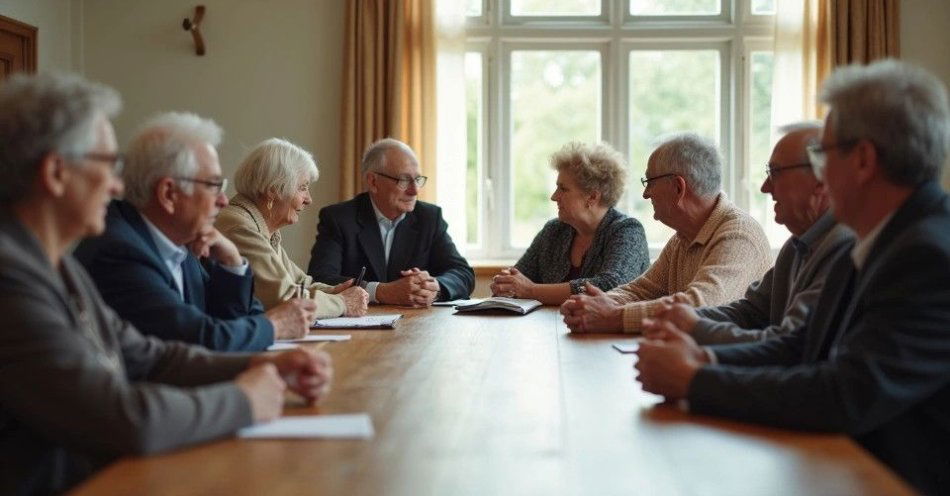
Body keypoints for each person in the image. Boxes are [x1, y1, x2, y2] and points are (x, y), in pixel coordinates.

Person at [0, 72, 332, 495]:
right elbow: (123, 418)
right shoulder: (10, 279)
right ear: (56, 172)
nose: (117, 185)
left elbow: (149, 356)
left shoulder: (57, 265)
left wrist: (261, 366)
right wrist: (245, 400)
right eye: (107, 165)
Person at [634, 60, 950, 495]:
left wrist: (694, 380)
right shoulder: (881, 237)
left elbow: (845, 394)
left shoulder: (926, 254)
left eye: (825, 155)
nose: (821, 174)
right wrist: (705, 359)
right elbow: (801, 345)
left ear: (862, 160)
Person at [75, 112, 315, 351]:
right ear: (169, 194)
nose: (223, 201)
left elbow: (236, 320)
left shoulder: (182, 240)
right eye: (213, 186)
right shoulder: (119, 251)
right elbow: (199, 339)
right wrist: (274, 326)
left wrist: (233, 263)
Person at [659, 123, 854, 344]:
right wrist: (683, 317)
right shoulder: (795, 246)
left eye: (775, 172)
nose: (765, 187)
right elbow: (751, 311)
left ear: (821, 179)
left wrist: (695, 328)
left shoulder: (843, 247)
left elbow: (791, 345)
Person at [560, 133, 771, 333]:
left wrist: (613, 316)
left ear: (678, 188)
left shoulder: (739, 234)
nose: (645, 194)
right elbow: (640, 291)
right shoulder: (683, 237)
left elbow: (699, 306)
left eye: (650, 182)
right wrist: (592, 304)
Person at [307, 138, 475, 306]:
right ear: (373, 182)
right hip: (360, 318)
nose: (414, 190)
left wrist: (434, 287)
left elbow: (463, 274)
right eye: (404, 180)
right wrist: (381, 291)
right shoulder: (339, 218)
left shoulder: (429, 217)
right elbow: (321, 279)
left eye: (417, 179)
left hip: (417, 320)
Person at [215, 138, 368, 317]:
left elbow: (301, 283)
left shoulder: (259, 226)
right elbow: (284, 298)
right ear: (273, 189)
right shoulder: (240, 227)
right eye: (302, 188)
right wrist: (342, 302)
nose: (308, 199)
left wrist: (335, 291)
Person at [489, 141, 649, 305]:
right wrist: (506, 285)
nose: (554, 197)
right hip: (550, 321)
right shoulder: (554, 230)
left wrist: (531, 290)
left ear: (592, 196)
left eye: (563, 189)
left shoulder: (628, 230)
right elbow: (518, 279)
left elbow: (611, 286)